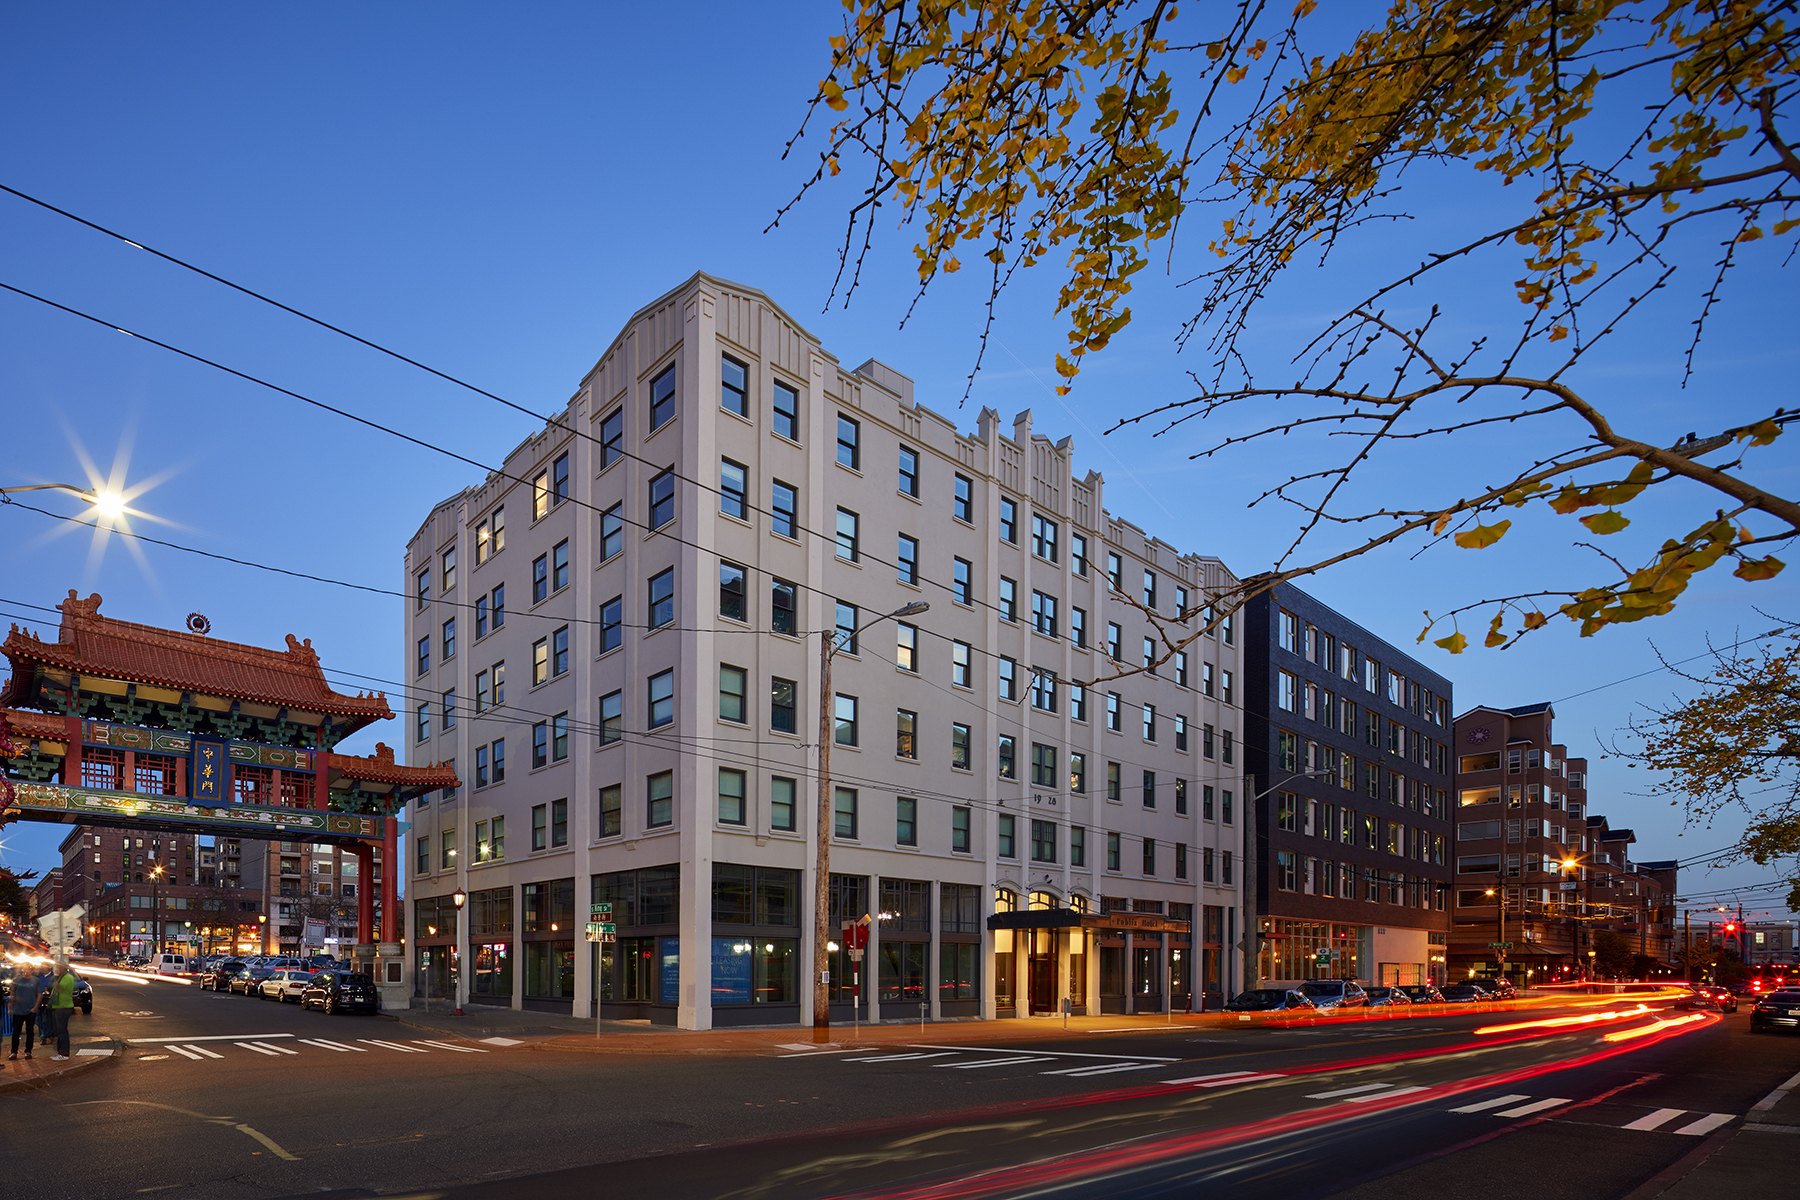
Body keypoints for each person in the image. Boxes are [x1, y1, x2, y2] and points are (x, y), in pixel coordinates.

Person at [45, 959, 81, 1061]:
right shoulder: (62, 977)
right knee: (59, 1031)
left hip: (63, 1006)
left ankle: (64, 1053)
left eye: (58, 968)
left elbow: (58, 988)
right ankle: (61, 1051)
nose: (56, 969)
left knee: (62, 1031)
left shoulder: (67, 978)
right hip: (58, 1006)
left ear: (63, 969)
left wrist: (55, 978)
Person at [8, 965, 43, 1059]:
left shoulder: (36, 981)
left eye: (27, 969)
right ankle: (14, 1052)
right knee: (16, 1032)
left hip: (30, 1010)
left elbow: (39, 994)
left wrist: (35, 1007)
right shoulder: (17, 980)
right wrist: (10, 1008)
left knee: (30, 1031)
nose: (25, 971)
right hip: (18, 1010)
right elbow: (12, 994)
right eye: (24, 969)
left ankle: (28, 1051)